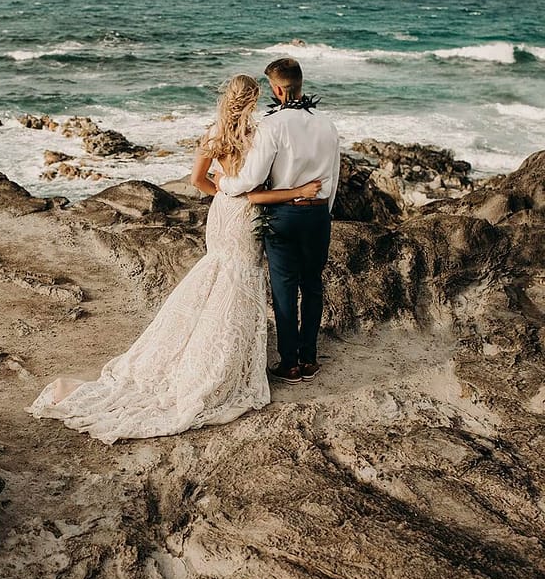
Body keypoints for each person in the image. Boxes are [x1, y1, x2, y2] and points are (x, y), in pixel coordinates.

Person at [27, 74, 322, 443]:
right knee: (241, 277)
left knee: (218, 273)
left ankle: (201, 351)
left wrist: (224, 193)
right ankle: (221, 362)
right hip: (246, 214)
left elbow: (198, 180)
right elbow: (263, 183)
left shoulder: (213, 134)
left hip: (223, 212)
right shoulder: (261, 133)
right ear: (254, 99)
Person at [215, 57, 340, 384]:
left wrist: (224, 185)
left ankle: (290, 364)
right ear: (300, 84)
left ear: (278, 89)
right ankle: (310, 360)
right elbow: (335, 176)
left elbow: (252, 177)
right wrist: (323, 213)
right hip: (318, 213)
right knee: (313, 285)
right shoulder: (327, 123)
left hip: (283, 215)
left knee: (284, 289)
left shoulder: (272, 125)